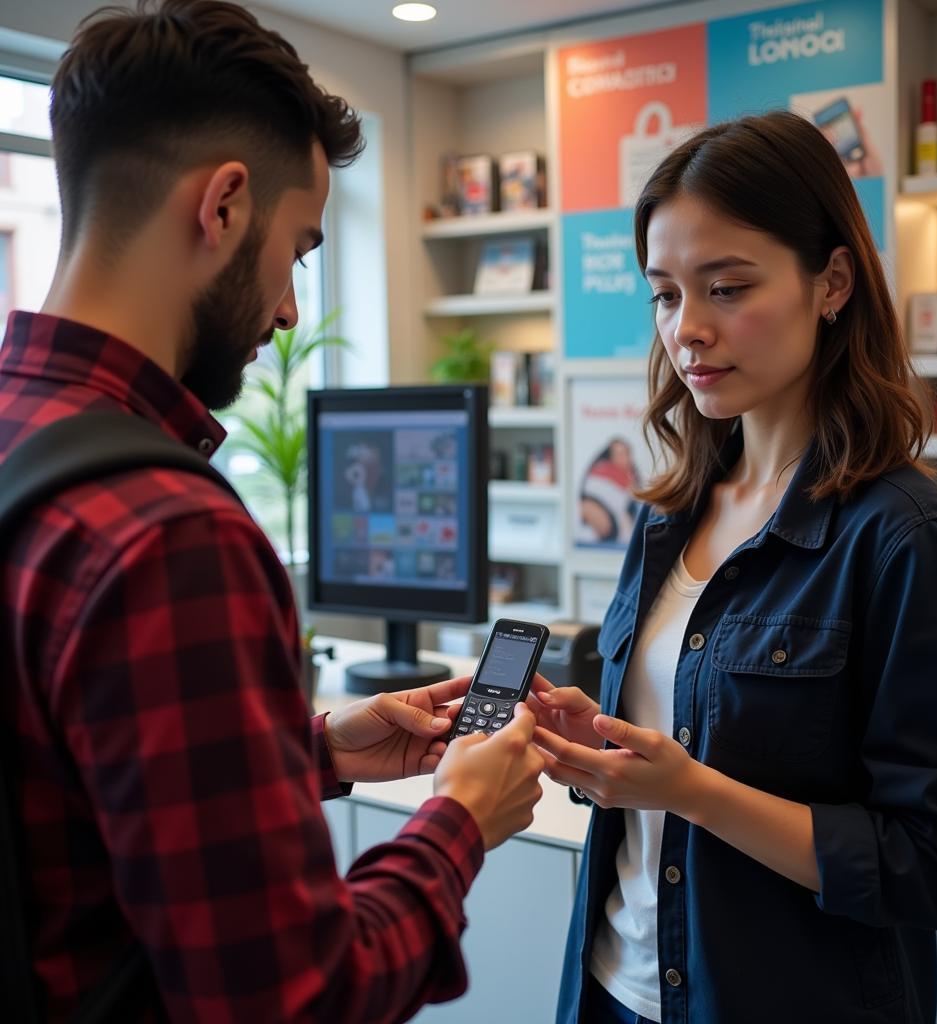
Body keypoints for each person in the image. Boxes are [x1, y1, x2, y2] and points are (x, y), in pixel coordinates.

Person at [0, 1, 544, 1020]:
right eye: (298, 250)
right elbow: (298, 998)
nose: (292, 310)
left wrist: (315, 745)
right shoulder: (166, 532)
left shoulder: (18, 433)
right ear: (225, 206)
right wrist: (463, 818)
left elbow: (64, 791)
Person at [530, 110, 937, 1024]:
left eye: (727, 288)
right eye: (666, 295)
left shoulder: (907, 541)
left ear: (831, 282)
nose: (689, 331)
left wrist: (693, 791)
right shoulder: (669, 515)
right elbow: (678, 735)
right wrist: (602, 744)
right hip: (615, 988)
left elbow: (934, 866)